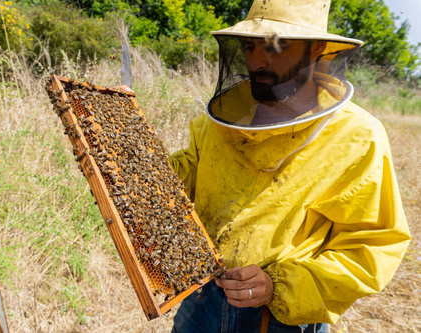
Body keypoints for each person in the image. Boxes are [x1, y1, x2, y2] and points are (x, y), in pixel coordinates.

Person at [121, 0, 411, 331]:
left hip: (280, 319)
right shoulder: (217, 124)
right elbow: (176, 187)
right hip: (200, 300)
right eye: (249, 46)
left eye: (276, 45)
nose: (257, 60)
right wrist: (131, 151)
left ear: (316, 48)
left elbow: (372, 244)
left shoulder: (357, 136)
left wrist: (278, 286)